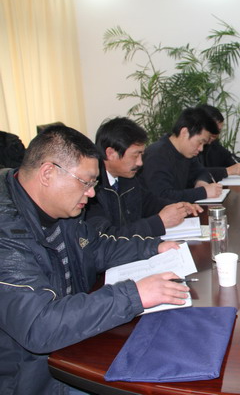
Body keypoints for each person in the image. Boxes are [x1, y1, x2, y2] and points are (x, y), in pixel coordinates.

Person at [0, 124, 190, 394]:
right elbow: (38, 325)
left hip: (71, 344)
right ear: (48, 173)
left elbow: (97, 247)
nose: (91, 193)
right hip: (32, 376)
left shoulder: (61, 208)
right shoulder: (6, 232)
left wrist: (153, 247)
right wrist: (134, 294)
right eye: (86, 182)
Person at [86, 117, 203, 237]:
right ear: (111, 153)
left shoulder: (127, 177)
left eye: (141, 155)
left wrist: (179, 207)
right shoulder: (91, 189)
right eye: (135, 155)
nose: (140, 163)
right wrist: (159, 223)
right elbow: (106, 237)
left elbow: (147, 202)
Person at [141, 107, 223, 203]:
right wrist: (203, 192)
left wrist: (201, 182)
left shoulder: (186, 153)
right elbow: (162, 196)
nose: (201, 149)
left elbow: (202, 172)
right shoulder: (156, 155)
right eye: (200, 142)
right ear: (185, 132)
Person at [197, 104, 240, 179]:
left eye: (219, 131)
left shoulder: (213, 143)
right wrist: (226, 171)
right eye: (214, 130)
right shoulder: (192, 147)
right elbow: (195, 173)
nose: (216, 134)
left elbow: (228, 157)